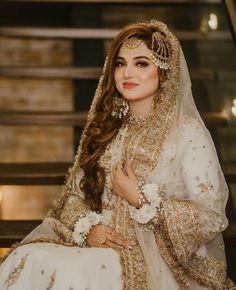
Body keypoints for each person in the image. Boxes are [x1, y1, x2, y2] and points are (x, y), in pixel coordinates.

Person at [0, 19, 235, 290]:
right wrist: (89, 230)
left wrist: (140, 198)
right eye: (121, 63)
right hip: (99, 247)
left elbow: (212, 216)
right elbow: (74, 197)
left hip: (157, 261)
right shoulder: (109, 127)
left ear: (164, 71)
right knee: (28, 256)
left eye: (142, 63)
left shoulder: (187, 133)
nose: (127, 73)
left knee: (69, 270)